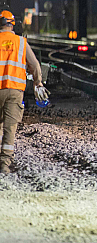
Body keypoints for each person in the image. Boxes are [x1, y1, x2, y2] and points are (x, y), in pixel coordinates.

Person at [0, 10, 47, 174]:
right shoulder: (21, 42)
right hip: (14, 91)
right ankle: (4, 165)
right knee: (10, 128)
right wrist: (38, 82)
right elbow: (35, 65)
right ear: (12, 25)